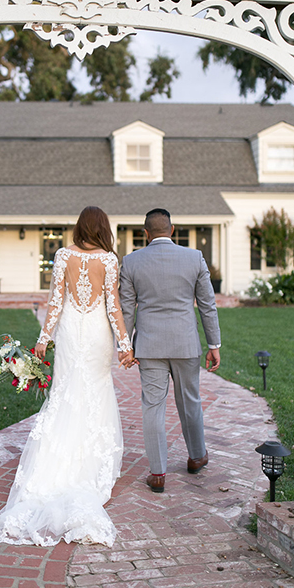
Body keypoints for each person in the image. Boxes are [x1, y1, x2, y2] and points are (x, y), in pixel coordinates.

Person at [0, 206, 134, 547]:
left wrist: (42, 340)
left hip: (68, 332)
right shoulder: (110, 261)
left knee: (65, 392)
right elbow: (114, 307)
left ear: (81, 227)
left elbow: (55, 303)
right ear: (103, 229)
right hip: (97, 334)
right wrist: (124, 345)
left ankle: (53, 465)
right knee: (94, 391)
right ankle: (88, 465)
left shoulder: (63, 256)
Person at [119, 208, 221, 494]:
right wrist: (214, 344)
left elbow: (126, 308)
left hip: (149, 346)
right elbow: (207, 305)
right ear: (172, 230)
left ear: (145, 233)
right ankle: (197, 456)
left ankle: (158, 472)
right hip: (185, 344)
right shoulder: (194, 258)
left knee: (153, 406)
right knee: (190, 400)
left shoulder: (131, 262)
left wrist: (125, 346)